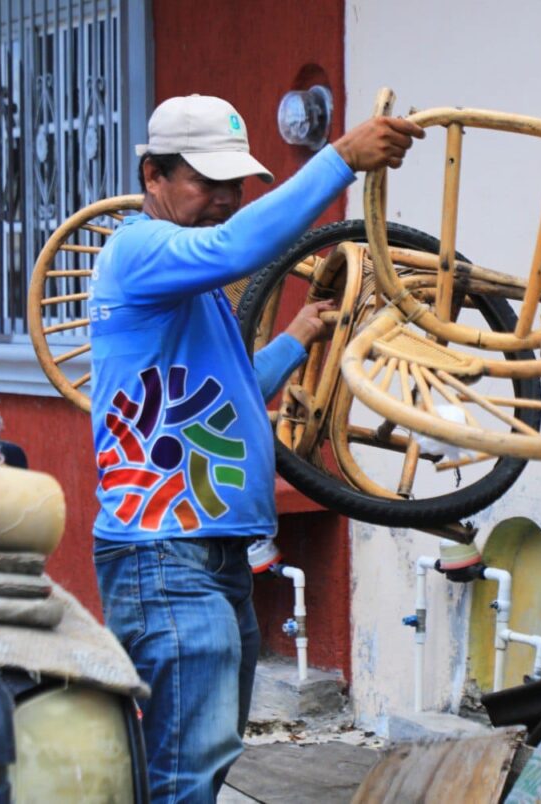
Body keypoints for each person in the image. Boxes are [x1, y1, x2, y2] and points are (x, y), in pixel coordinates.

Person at [89, 93, 422, 803]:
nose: (223, 200)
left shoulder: (190, 289)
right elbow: (235, 246)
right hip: (163, 552)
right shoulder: (140, 250)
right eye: (205, 183)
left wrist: (298, 337)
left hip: (210, 554)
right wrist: (340, 158)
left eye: (233, 186)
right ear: (153, 176)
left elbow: (233, 392)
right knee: (186, 774)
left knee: (195, 765)